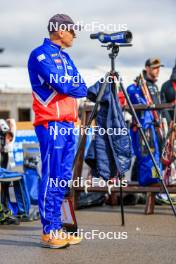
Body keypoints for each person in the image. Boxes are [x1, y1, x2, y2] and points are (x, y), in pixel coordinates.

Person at [28, 14, 87, 249]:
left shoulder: (66, 56)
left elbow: (81, 86)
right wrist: (69, 85)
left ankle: (57, 226)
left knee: (62, 179)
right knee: (51, 176)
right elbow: (61, 84)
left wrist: (71, 85)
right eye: (72, 30)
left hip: (68, 125)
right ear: (60, 30)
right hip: (51, 124)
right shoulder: (39, 54)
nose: (75, 34)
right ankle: (48, 230)